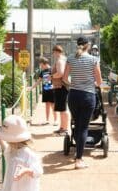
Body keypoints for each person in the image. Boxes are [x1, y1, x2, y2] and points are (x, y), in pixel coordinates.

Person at [63, 36, 102, 169]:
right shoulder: (93, 60)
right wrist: (91, 84)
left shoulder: (70, 58)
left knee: (77, 125)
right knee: (83, 127)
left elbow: (64, 78)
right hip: (88, 96)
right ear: (88, 45)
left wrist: (74, 83)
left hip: (73, 95)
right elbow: (99, 81)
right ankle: (79, 159)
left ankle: (77, 153)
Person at [51, 45, 70, 136]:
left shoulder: (60, 60)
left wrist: (51, 76)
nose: (53, 54)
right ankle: (62, 127)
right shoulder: (63, 59)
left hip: (61, 87)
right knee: (62, 109)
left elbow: (60, 73)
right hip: (61, 87)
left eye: (53, 52)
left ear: (56, 51)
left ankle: (65, 129)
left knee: (63, 109)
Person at [37, 57, 55, 125]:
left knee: (53, 105)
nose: (40, 66)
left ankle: (55, 120)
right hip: (45, 90)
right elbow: (38, 81)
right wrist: (31, 87)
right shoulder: (42, 71)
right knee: (47, 105)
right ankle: (47, 120)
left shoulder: (52, 70)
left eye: (41, 65)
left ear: (44, 64)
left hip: (52, 90)